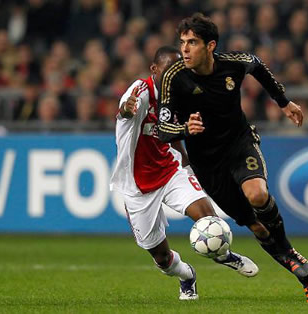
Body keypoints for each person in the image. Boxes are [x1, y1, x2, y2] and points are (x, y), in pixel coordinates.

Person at [157, 13, 308, 303]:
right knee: (257, 226)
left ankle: (287, 249)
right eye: (183, 42)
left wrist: (284, 102)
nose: (184, 49)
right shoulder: (173, 77)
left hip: (239, 144)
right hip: (208, 165)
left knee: (257, 194)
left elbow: (258, 66)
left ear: (210, 46)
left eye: (192, 42)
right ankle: (307, 279)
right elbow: (162, 129)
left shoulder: (233, 63)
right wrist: (185, 128)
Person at [109, 46, 258, 301]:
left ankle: (224, 255)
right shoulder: (141, 92)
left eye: (178, 71)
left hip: (170, 170)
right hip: (137, 184)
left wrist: (188, 165)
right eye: (168, 71)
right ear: (154, 70)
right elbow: (124, 111)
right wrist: (126, 110)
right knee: (162, 258)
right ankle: (186, 275)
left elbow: (175, 132)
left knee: (208, 219)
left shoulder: (179, 93)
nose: (174, 76)